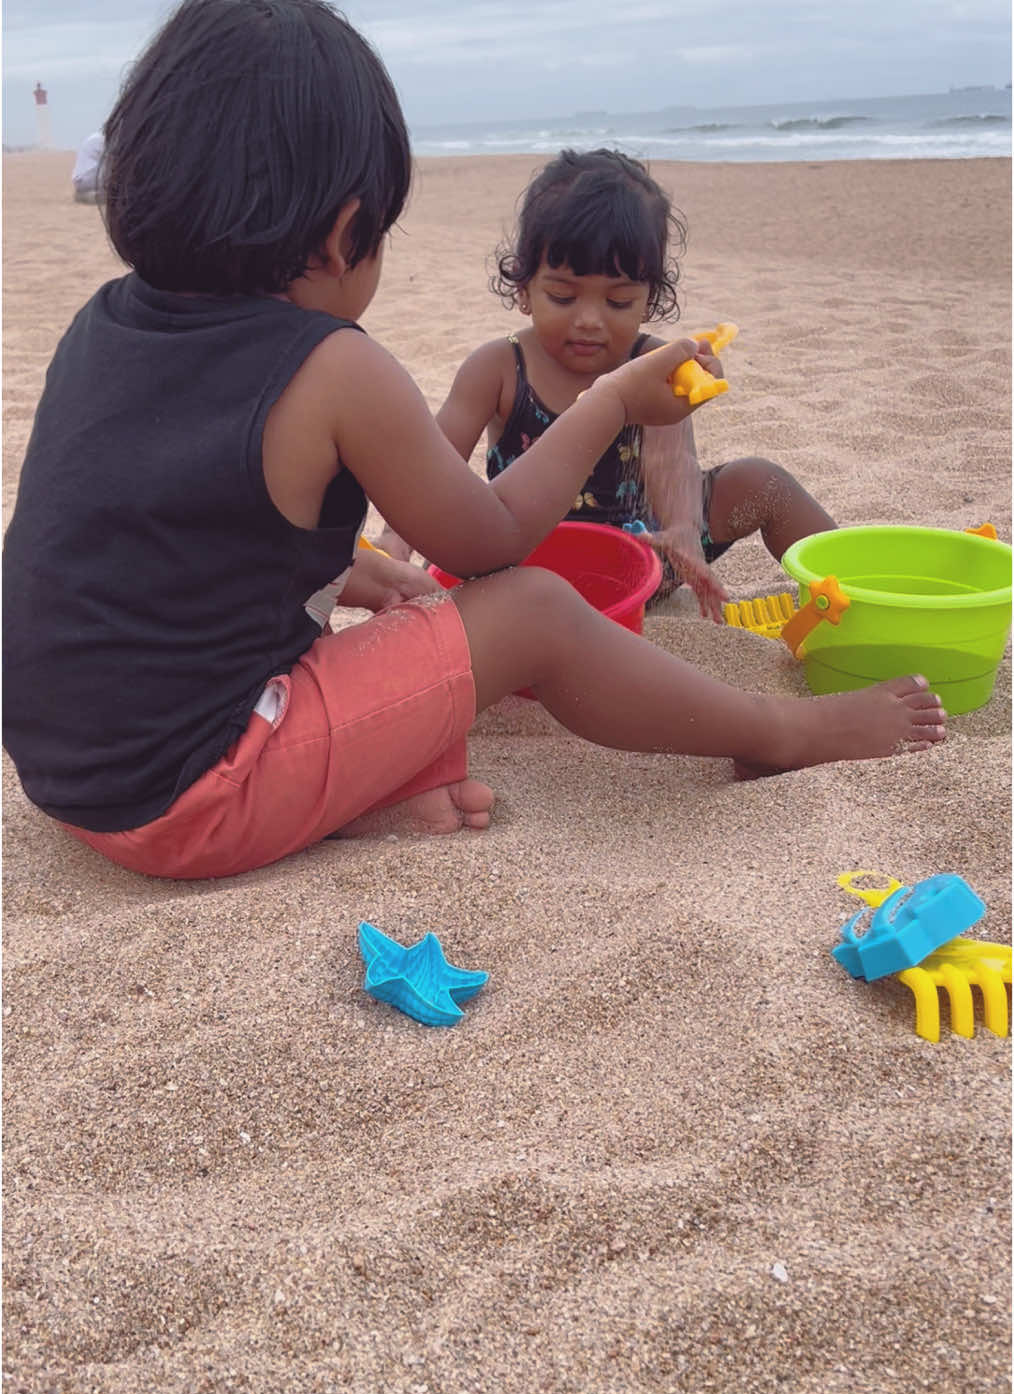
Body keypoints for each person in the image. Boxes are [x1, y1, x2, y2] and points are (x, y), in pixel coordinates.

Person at [1, 0, 947, 884]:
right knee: (532, 609)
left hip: (69, 778)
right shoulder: (333, 366)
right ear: (343, 234)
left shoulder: (102, 326)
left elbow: (171, 536)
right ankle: (776, 733)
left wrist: (363, 572)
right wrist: (611, 401)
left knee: (406, 609)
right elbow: (491, 538)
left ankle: (346, 799)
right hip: (193, 795)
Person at [377, 148, 836, 620]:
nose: (590, 320)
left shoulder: (652, 360)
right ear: (524, 288)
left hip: (648, 553)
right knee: (455, 541)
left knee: (762, 482)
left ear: (650, 299)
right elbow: (432, 467)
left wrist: (682, 530)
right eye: (562, 295)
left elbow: (670, 459)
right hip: (526, 562)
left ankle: (851, 589)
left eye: (618, 302)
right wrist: (395, 543)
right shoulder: (498, 366)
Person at [71, 130, 105, 204]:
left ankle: (85, 195)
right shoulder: (102, 140)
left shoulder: (94, 137)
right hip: (90, 179)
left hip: (80, 180)